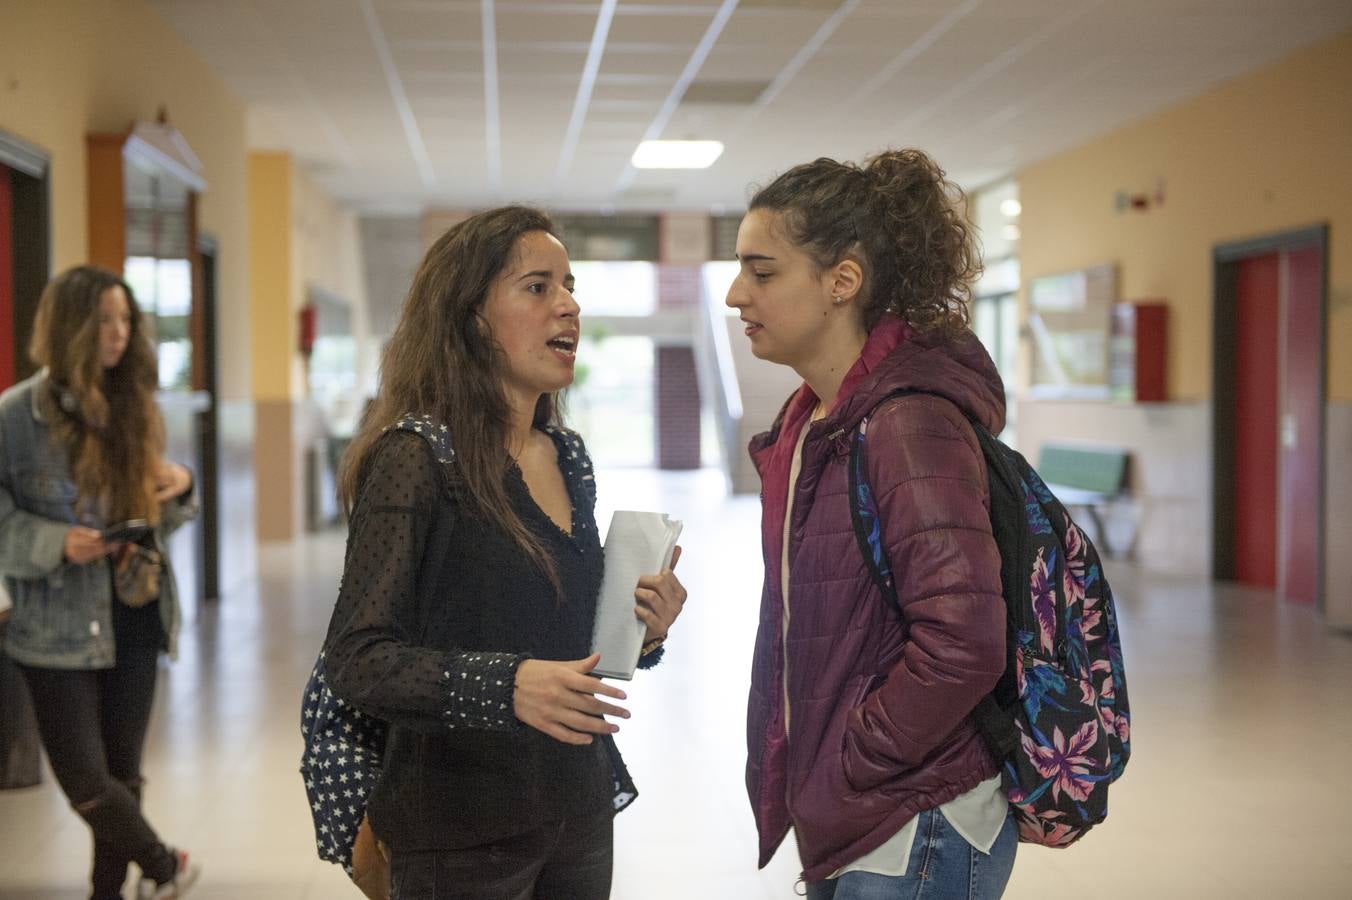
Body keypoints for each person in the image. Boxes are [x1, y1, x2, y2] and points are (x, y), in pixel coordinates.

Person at [321, 205, 688, 900]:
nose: (570, 305)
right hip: (457, 826)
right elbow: (358, 659)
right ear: (471, 318)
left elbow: (558, 636)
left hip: (576, 807)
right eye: (538, 287)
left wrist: (640, 629)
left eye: (570, 285)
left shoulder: (567, 454)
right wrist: (507, 685)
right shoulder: (415, 457)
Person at [729, 150, 1018, 899]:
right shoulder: (811, 423)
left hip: (915, 820)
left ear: (842, 281)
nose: (736, 294)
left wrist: (854, 757)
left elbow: (965, 641)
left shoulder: (908, 423)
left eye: (762, 272)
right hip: (857, 814)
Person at [0, 265, 200, 899]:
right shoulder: (15, 416)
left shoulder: (136, 407)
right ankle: (166, 863)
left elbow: (158, 515)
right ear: (70, 326)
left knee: (124, 771)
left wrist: (181, 487)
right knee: (86, 777)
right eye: (104, 320)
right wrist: (54, 541)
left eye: (125, 320)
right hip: (52, 620)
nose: (118, 334)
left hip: (134, 605)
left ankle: (107, 892)